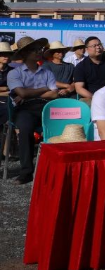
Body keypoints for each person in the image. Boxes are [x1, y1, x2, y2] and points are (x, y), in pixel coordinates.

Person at [7, 37, 57, 184]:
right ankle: (26, 172)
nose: (38, 52)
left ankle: (56, 168)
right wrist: (44, 88)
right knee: (25, 129)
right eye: (34, 50)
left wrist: (29, 92)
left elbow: (54, 94)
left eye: (39, 49)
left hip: (46, 106)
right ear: (24, 54)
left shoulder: (47, 72)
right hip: (25, 108)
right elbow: (21, 94)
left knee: (61, 127)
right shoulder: (14, 73)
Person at [72, 36, 105, 104]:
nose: (98, 47)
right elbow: (79, 89)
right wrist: (96, 98)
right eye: (94, 46)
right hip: (90, 97)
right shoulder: (81, 66)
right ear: (87, 49)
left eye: (99, 44)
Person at [0, 41, 13, 127]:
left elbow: (15, 88)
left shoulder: (13, 71)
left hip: (8, 99)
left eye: (7, 54)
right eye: (2, 54)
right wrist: (5, 89)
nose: (6, 56)